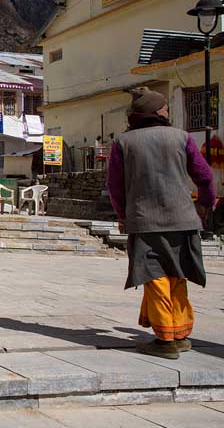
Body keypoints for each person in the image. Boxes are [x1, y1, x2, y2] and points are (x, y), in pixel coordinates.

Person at [106, 86, 215, 360]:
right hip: (183, 219)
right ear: (157, 112)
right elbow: (205, 176)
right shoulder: (182, 138)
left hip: (146, 222)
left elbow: (116, 186)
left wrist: (122, 215)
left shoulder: (123, 143)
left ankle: (165, 340)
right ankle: (180, 334)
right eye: (165, 108)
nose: (168, 111)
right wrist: (205, 203)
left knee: (156, 278)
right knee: (178, 276)